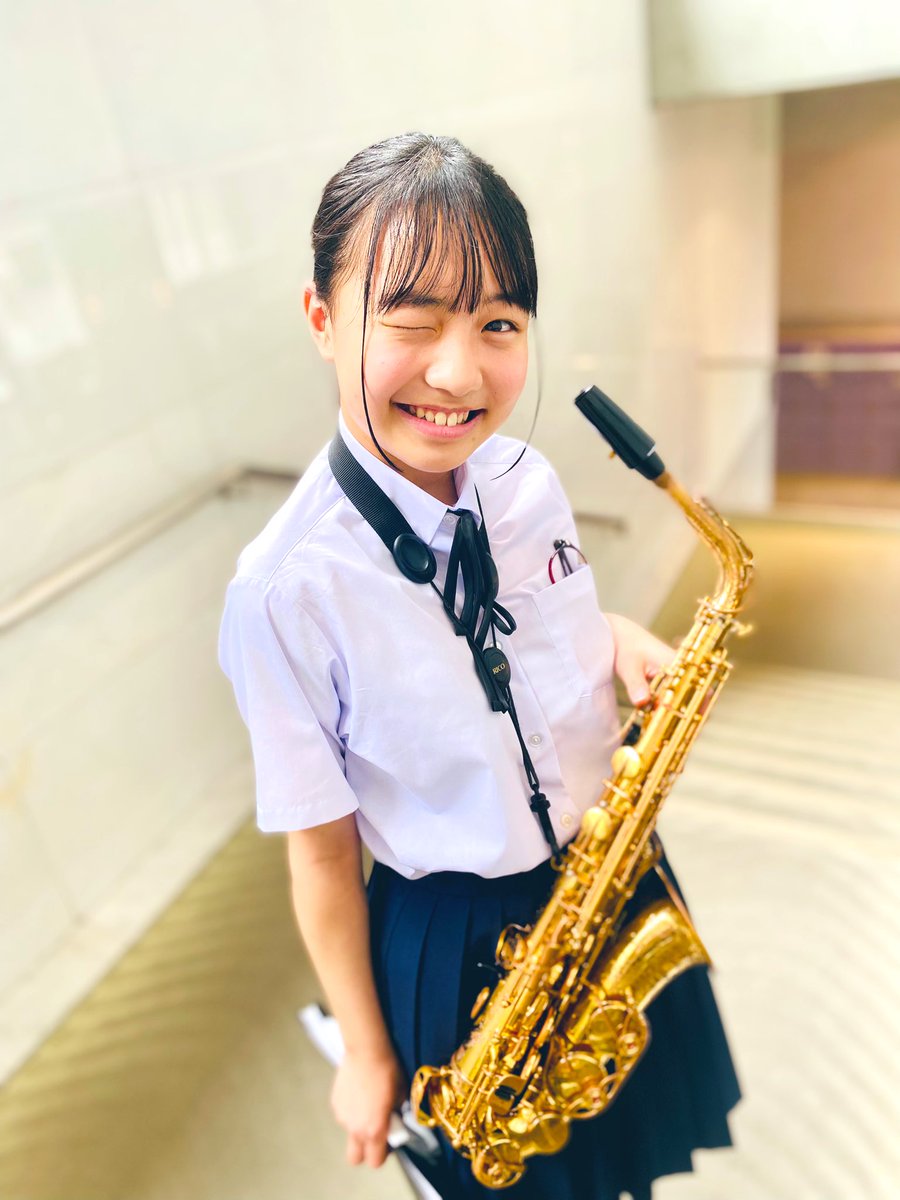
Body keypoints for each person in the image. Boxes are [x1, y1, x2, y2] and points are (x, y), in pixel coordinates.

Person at [217, 132, 742, 1199]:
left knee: (623, 1166)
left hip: (607, 880)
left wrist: (614, 638)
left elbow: (541, 635)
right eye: (411, 322)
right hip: (459, 952)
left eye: (499, 324)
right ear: (322, 320)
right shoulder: (282, 594)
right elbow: (321, 858)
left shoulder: (524, 479)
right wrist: (367, 1054)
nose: (459, 375)